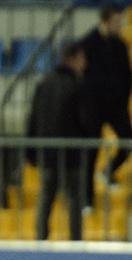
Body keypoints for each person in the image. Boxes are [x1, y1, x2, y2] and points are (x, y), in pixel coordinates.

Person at [27, 41, 94, 240]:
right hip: (72, 153)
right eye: (82, 59)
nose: (85, 64)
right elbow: (85, 120)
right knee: (74, 198)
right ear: (72, 59)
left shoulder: (44, 84)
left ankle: (41, 239)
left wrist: (31, 150)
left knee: (46, 196)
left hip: (47, 152)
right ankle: (75, 240)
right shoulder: (78, 86)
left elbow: (33, 118)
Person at [81, 4, 131, 182]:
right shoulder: (87, 44)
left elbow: (126, 76)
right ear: (106, 21)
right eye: (117, 22)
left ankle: (108, 171)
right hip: (94, 107)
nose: (121, 26)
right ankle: (87, 199)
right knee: (91, 151)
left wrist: (123, 101)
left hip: (116, 106)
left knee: (128, 140)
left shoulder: (120, 45)